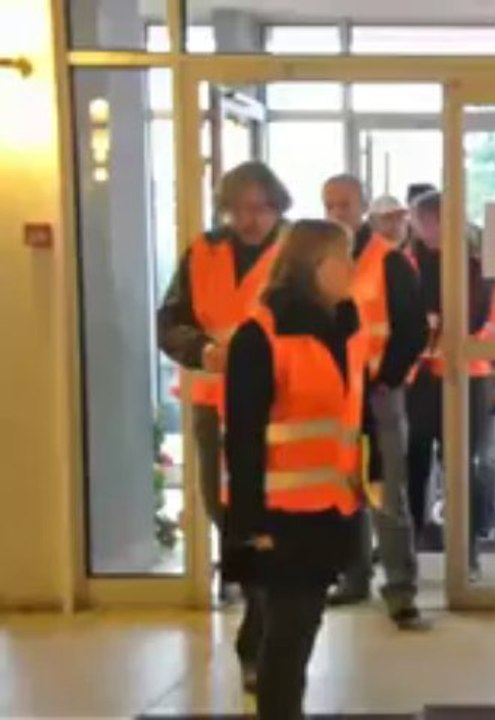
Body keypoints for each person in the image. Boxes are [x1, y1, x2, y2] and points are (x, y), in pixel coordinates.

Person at [221, 219, 363, 720]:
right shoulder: (260, 337)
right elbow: (241, 437)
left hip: (328, 508)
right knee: (287, 635)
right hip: (279, 516)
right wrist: (248, 525)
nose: (352, 270)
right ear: (313, 267)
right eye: (343, 259)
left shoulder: (343, 327)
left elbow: (348, 417)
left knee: (301, 630)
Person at [157, 160, 289, 594]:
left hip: (277, 397)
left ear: (277, 206)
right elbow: (170, 321)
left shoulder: (295, 250)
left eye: (259, 209)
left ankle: (268, 588)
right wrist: (203, 350)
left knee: (270, 499)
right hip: (212, 393)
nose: (248, 220)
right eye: (237, 209)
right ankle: (248, 578)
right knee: (218, 498)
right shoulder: (203, 251)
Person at [321, 176, 428, 629]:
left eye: (343, 204)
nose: (335, 213)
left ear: (363, 205)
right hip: (336, 396)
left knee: (388, 493)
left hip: (380, 394)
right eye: (328, 205)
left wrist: (386, 379)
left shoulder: (388, 261)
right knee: (347, 490)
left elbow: (412, 329)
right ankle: (354, 577)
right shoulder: (322, 262)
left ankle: (400, 590)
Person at [403, 190, 495, 572]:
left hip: (466, 375)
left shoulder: (475, 265)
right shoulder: (409, 262)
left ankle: (467, 545)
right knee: (415, 462)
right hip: (420, 377)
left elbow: (475, 318)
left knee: (461, 463)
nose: (418, 227)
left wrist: (435, 324)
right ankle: (411, 541)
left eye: (422, 220)